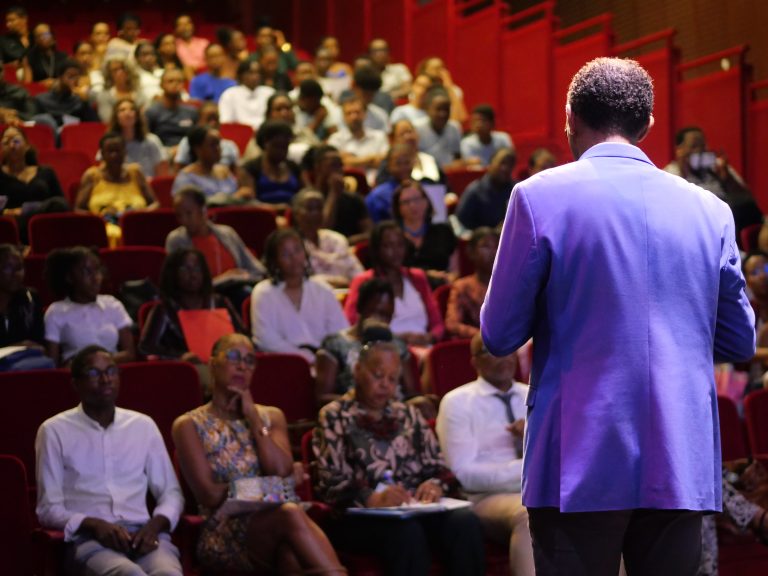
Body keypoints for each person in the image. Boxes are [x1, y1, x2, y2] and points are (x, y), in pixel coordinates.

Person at [480, 57, 756, 576]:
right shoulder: (712, 210)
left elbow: (498, 334)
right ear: (647, 125)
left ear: (569, 118)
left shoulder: (536, 197)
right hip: (679, 456)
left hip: (577, 456)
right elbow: (740, 342)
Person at [172, 333, 345, 573]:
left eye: (250, 360)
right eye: (233, 356)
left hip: (277, 525)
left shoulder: (271, 416)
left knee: (290, 556)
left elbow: (280, 468)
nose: (242, 366)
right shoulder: (188, 424)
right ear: (213, 364)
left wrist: (253, 419)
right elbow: (209, 495)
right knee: (289, 513)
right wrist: (278, 487)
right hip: (223, 530)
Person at [313, 337, 485, 576]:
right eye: (378, 375)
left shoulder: (408, 414)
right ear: (357, 370)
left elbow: (439, 468)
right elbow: (329, 480)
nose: (385, 384)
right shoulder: (334, 416)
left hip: (413, 508)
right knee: (406, 532)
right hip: (360, 516)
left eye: (392, 379)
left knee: (464, 521)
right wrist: (371, 497)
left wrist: (434, 485)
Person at [36, 345, 184, 576]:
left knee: (168, 573)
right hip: (89, 539)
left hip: (142, 534)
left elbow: (171, 493)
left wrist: (155, 525)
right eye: (94, 373)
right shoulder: (54, 430)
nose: (105, 379)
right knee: (129, 574)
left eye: (111, 371)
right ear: (75, 383)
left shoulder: (142, 425)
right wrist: (93, 524)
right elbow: (47, 509)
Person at [436, 332, 534, 575]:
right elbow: (465, 475)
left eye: (510, 349)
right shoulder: (457, 402)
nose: (504, 356)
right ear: (474, 361)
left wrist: (531, 439)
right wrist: (527, 469)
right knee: (530, 513)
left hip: (538, 489)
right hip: (485, 497)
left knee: (598, 505)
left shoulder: (533, 394)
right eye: (493, 351)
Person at [250, 228, 348, 364]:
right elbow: (265, 339)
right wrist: (305, 358)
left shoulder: (323, 289)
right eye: (285, 254)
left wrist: (325, 359)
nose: (294, 258)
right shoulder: (263, 292)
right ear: (274, 261)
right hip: (284, 363)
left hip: (326, 363)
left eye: (297, 250)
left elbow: (341, 331)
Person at [138, 248, 245, 372]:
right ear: (173, 273)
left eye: (197, 269)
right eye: (185, 269)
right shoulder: (165, 309)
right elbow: (146, 348)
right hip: (186, 371)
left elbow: (242, 336)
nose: (193, 275)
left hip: (226, 366)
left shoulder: (220, 302)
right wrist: (180, 356)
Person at [316, 279, 416, 404]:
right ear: (360, 308)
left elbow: (411, 393)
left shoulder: (398, 346)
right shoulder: (335, 344)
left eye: (387, 316)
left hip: (394, 410)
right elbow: (322, 397)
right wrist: (363, 402)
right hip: (352, 410)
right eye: (376, 313)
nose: (381, 320)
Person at [345, 221, 444, 346]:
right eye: (388, 246)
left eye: (400, 245)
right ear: (377, 249)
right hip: (383, 347)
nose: (396, 251)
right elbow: (351, 324)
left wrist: (429, 337)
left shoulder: (417, 277)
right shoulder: (364, 280)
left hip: (424, 346)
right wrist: (396, 338)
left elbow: (438, 324)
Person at [664, 126, 762, 242]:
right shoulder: (671, 174)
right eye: (694, 146)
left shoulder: (717, 167)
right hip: (697, 227)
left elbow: (746, 198)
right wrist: (683, 171)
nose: (700, 151)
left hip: (727, 219)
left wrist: (727, 178)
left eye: (703, 146)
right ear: (679, 150)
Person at [44, 246, 136, 366]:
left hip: (112, 369)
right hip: (76, 372)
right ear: (69, 277)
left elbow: (130, 353)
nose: (96, 278)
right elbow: (52, 363)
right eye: (87, 272)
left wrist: (100, 363)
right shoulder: (56, 311)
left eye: (97, 270)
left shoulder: (112, 304)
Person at [166, 186, 266, 286]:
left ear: (203, 210)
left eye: (189, 213)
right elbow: (183, 284)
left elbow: (254, 267)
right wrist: (224, 278)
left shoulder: (227, 233)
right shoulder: (176, 240)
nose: (183, 220)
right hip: (206, 293)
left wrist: (250, 276)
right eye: (179, 215)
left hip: (239, 286)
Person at [76, 132, 158, 236]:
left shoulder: (135, 172)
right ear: (102, 154)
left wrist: (138, 215)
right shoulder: (92, 175)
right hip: (103, 230)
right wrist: (99, 218)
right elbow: (78, 210)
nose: (114, 155)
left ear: (125, 152)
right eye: (110, 151)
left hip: (135, 228)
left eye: (117, 151)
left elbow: (155, 204)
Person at [292, 189, 363, 288]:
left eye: (319, 208)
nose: (316, 213)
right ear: (296, 213)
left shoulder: (337, 239)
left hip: (346, 292)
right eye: (310, 209)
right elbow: (299, 280)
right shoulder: (292, 244)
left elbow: (358, 273)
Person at [303, 145, 372, 242]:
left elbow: (369, 233)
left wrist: (344, 242)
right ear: (318, 168)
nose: (339, 170)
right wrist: (333, 194)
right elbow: (321, 234)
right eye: (333, 165)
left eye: (340, 165)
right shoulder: (307, 200)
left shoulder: (354, 199)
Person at [393, 180, 456, 278]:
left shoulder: (444, 231)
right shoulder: (393, 236)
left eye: (416, 199)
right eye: (406, 202)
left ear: (426, 202)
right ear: (398, 208)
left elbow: (455, 272)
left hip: (441, 283)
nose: (412, 205)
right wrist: (426, 275)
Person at [445, 227, 498, 339]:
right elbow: (452, 325)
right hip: (477, 344)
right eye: (486, 246)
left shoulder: (509, 286)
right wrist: (482, 336)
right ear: (471, 252)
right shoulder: (462, 287)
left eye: (497, 247)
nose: (494, 252)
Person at [328, 95, 388, 185]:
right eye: (349, 113)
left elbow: (384, 163)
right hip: (348, 186)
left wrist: (352, 160)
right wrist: (371, 158)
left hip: (377, 184)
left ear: (365, 114)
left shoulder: (379, 137)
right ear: (343, 117)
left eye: (357, 112)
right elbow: (337, 165)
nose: (354, 117)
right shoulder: (335, 140)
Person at [238, 120, 301, 206]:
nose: (281, 151)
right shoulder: (250, 169)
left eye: (285, 147)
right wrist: (275, 208)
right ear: (265, 144)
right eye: (276, 146)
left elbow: (305, 193)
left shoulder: (294, 167)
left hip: (293, 212)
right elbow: (249, 201)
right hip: (261, 213)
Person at [171, 126, 240, 202]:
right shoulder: (186, 177)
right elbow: (184, 205)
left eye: (218, 143)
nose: (218, 149)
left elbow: (237, 193)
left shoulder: (225, 171)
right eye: (212, 144)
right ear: (198, 148)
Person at [456, 148, 517, 231]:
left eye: (510, 165)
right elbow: (461, 220)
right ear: (490, 164)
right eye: (502, 163)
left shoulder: (516, 191)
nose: (505, 168)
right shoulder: (475, 190)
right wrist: (486, 232)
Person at [106, 97, 168, 177]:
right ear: (116, 117)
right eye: (122, 110)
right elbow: (104, 170)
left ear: (137, 116)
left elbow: (161, 174)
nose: (127, 113)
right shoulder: (109, 142)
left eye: (132, 109)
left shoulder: (152, 140)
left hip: (147, 183)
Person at [0, 244, 46, 350]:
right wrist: (14, 348)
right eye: (8, 268)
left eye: (19, 268)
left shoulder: (30, 299)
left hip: (26, 359)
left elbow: (39, 342)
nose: (16, 274)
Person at [374, 119, 444, 187]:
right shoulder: (389, 163)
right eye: (402, 134)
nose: (408, 137)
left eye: (410, 131)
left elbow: (442, 185)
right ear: (393, 139)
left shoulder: (429, 158)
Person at [173, 101, 240, 170]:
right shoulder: (188, 142)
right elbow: (179, 171)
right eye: (209, 119)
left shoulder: (230, 146)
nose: (213, 123)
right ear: (199, 122)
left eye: (216, 119)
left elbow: (236, 174)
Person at [34, 59, 100, 129]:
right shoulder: (42, 100)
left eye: (76, 77)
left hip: (73, 133)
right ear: (60, 77)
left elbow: (95, 125)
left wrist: (85, 102)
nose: (74, 81)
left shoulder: (79, 102)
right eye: (70, 76)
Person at [145, 68, 198, 154]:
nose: (175, 84)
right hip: (161, 154)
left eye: (179, 81)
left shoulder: (192, 112)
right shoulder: (152, 112)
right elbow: (147, 141)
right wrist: (168, 152)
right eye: (170, 81)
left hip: (188, 153)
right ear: (161, 85)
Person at [413, 87, 463, 169]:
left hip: (449, 171)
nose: (443, 114)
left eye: (446, 110)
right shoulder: (417, 128)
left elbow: (457, 156)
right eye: (438, 109)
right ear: (428, 109)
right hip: (425, 172)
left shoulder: (454, 128)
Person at [218, 59, 274, 130]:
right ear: (241, 75)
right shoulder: (229, 95)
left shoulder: (269, 92)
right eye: (251, 73)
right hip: (239, 134)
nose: (255, 76)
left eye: (258, 73)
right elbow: (225, 122)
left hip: (267, 133)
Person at [94, 56, 148, 123]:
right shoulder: (104, 95)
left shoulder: (138, 93)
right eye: (115, 70)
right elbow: (107, 118)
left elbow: (146, 116)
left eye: (123, 68)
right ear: (109, 74)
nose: (120, 72)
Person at [417, 57, 467, 124]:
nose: (440, 72)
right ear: (425, 71)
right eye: (435, 68)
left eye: (442, 68)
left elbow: (462, 117)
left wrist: (449, 85)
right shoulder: (419, 89)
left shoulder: (454, 90)